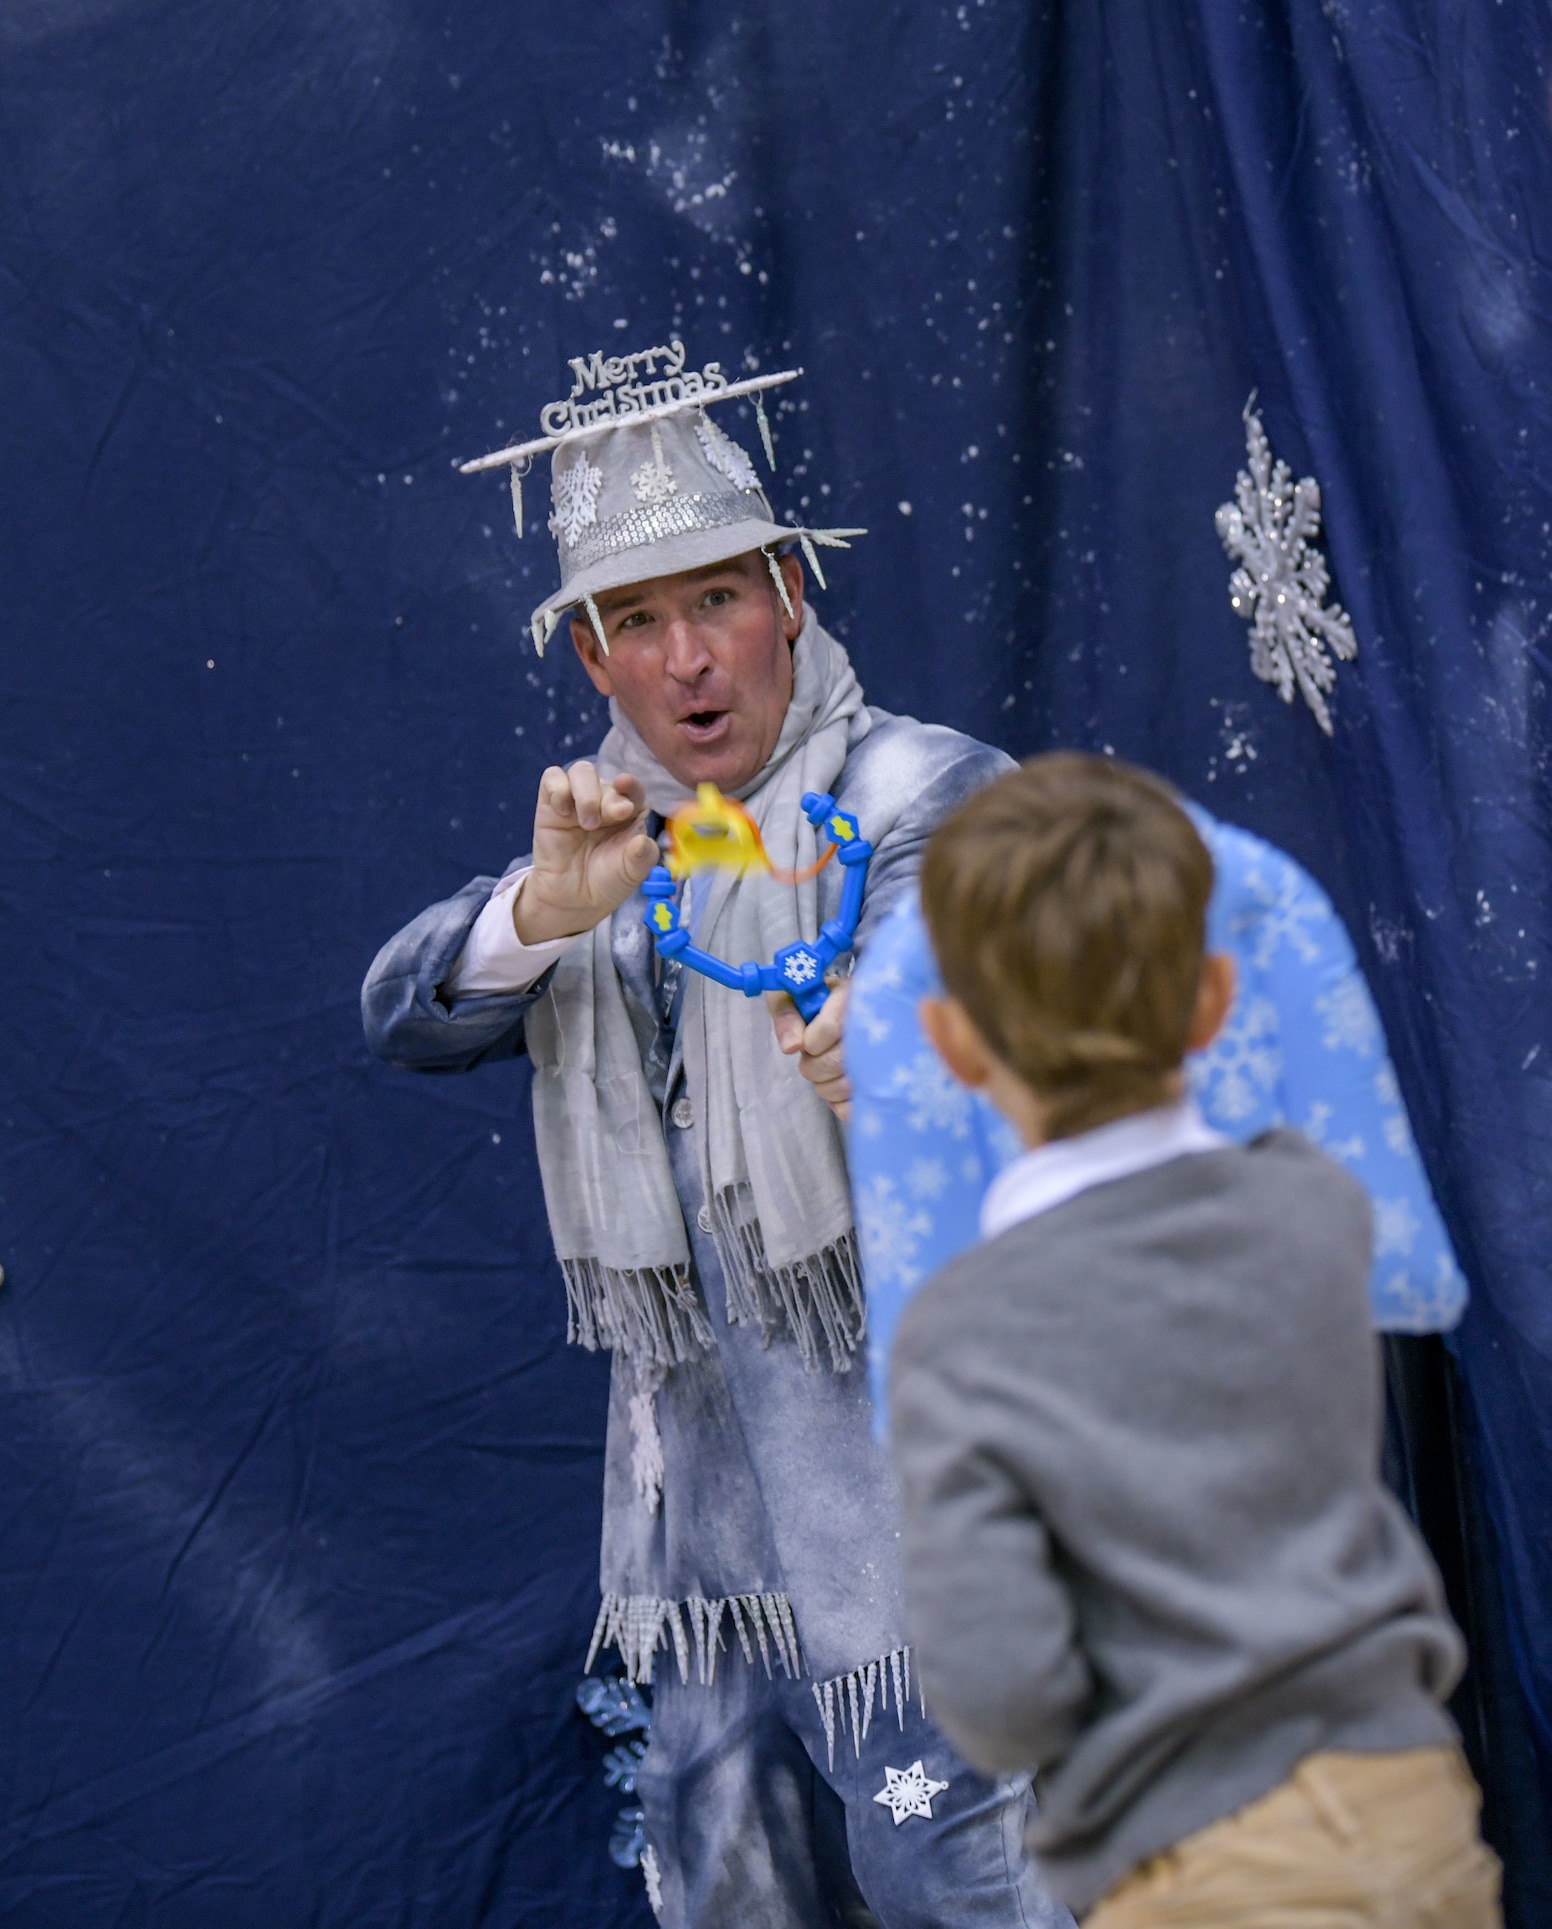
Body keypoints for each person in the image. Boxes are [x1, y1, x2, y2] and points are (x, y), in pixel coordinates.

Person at [364, 344, 1067, 1929]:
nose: (690, 658)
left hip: (912, 1538)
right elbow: (405, 1012)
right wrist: (547, 910)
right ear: (593, 665)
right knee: (735, 1889)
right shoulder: (610, 851)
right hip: (711, 1560)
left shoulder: (917, 789)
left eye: (720, 601)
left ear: (793, 595)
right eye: (638, 623)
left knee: (948, 1872)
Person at [889, 752, 1502, 1927]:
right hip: (1412, 1813)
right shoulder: (1314, 1210)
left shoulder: (959, 1335)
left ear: (953, 1047)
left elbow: (1001, 1695)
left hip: (1190, 1869)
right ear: (1214, 1004)